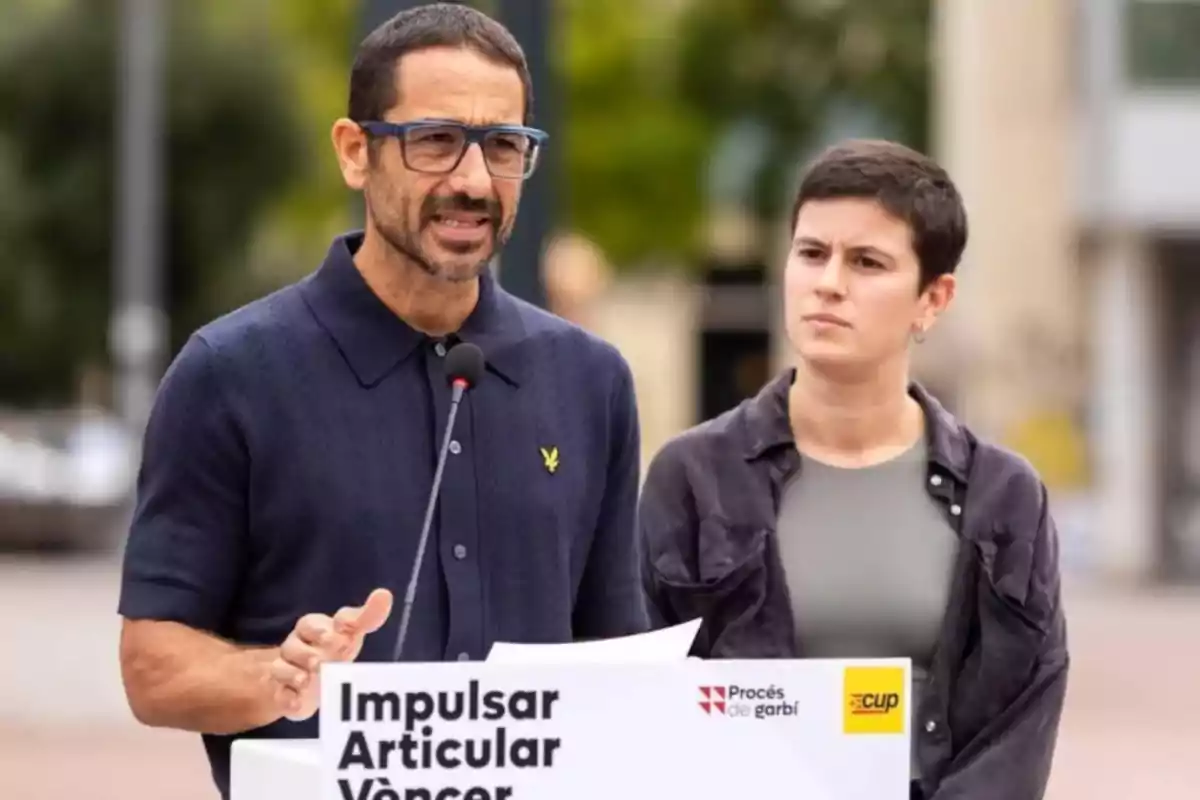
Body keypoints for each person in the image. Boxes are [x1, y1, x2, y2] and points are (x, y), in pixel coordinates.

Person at [116, 5, 646, 797]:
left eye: (503, 146)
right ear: (355, 152)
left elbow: (618, 665)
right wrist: (278, 675)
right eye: (435, 139)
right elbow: (151, 666)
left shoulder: (591, 380)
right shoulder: (228, 375)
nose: (472, 181)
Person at [637, 139, 1068, 800]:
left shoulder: (1004, 499)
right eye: (811, 253)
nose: (828, 282)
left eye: (866, 262)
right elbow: (645, 709)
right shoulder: (693, 478)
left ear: (933, 297)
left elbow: (1017, 731)